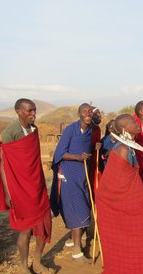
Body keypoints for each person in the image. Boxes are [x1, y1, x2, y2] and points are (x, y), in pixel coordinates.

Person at [96, 114, 143, 274]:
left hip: (133, 203)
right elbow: (116, 182)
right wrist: (131, 200)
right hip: (123, 204)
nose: (137, 124)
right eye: (133, 123)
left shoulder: (129, 147)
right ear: (125, 129)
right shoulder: (122, 150)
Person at [0, 98, 54, 274]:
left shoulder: (33, 130)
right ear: (18, 111)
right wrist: (8, 192)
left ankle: (37, 262)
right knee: (26, 230)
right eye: (30, 111)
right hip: (19, 188)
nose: (33, 114)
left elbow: (34, 161)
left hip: (36, 186)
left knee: (43, 224)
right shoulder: (10, 133)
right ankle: (23, 270)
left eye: (35, 110)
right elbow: (4, 166)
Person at [50, 103, 93, 262]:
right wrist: (78, 157)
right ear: (79, 114)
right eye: (84, 111)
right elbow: (60, 154)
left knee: (82, 206)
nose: (88, 114)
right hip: (69, 173)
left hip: (82, 175)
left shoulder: (90, 131)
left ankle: (73, 241)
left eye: (90, 111)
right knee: (77, 209)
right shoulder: (70, 130)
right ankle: (77, 252)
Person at [89, 107, 102, 193]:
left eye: (99, 114)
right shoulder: (87, 128)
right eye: (96, 114)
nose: (99, 116)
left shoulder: (98, 129)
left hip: (94, 158)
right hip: (86, 158)